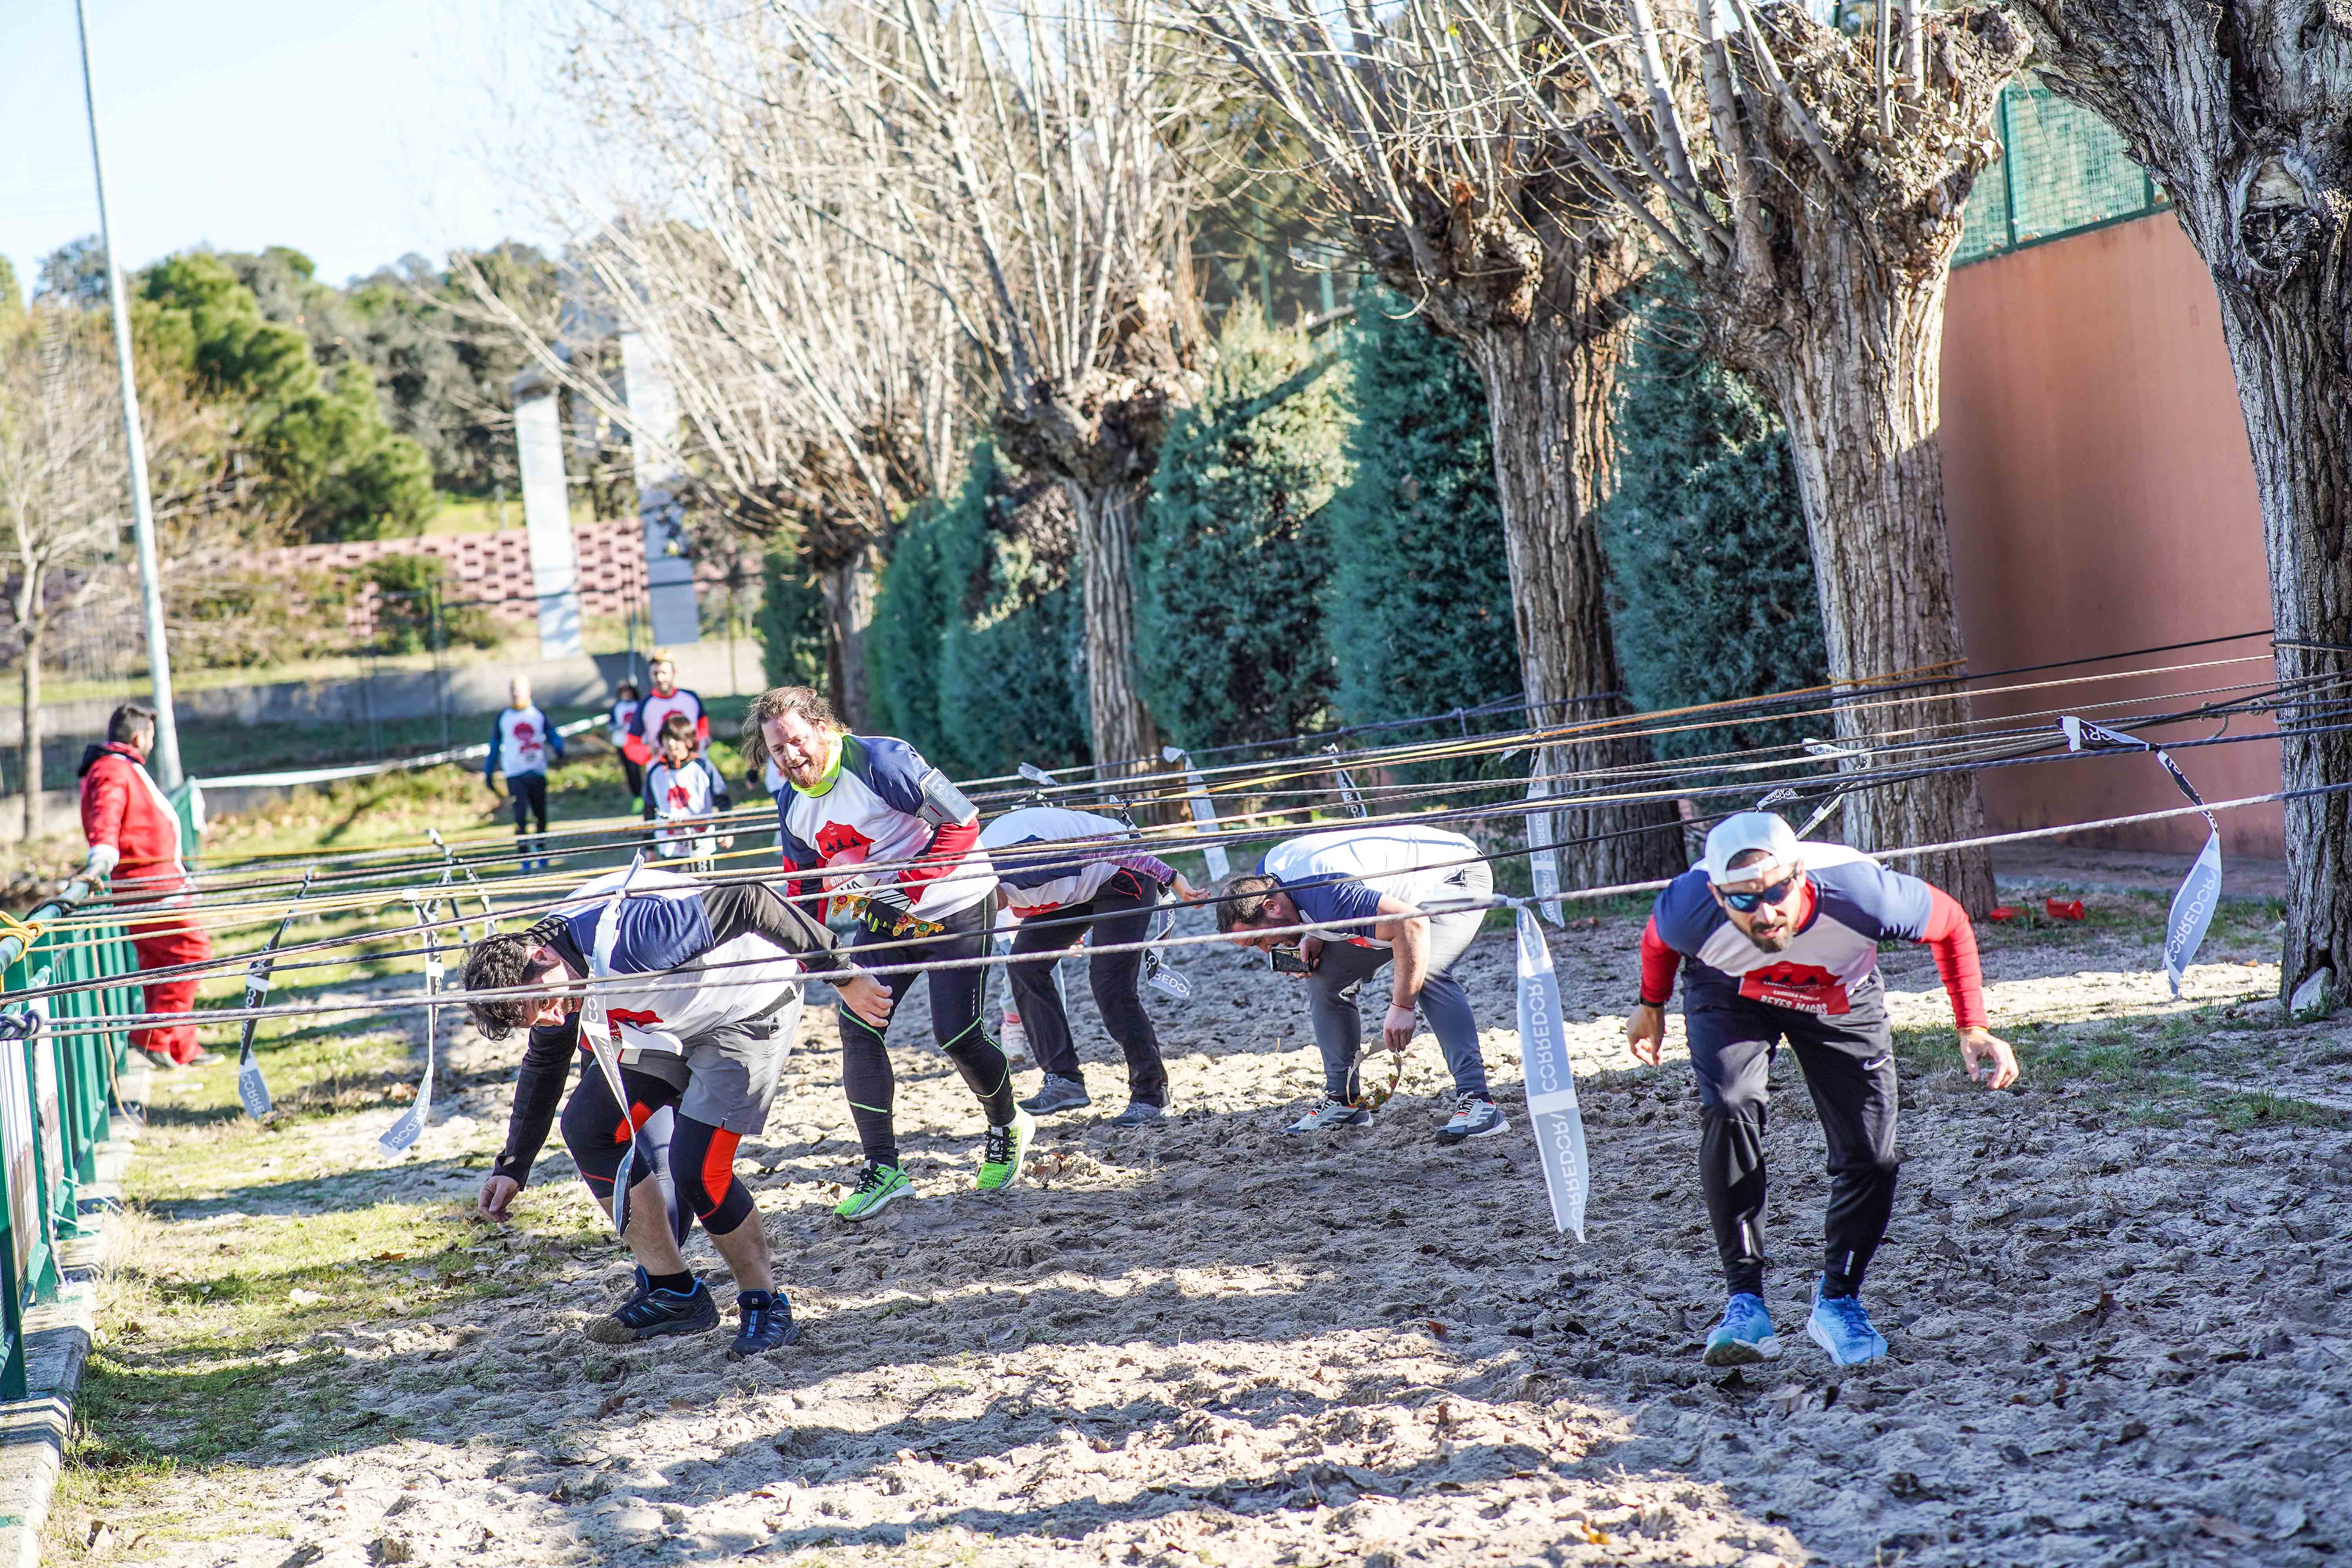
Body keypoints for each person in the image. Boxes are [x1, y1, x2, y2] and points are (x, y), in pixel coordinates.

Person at [1626, 811, 2019, 1370]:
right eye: (1742, 900)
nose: (1765, 912)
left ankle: (1838, 1301)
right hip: (1731, 991)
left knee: (1872, 1156)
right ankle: (1745, 1304)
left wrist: (1972, 1027)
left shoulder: (1864, 897)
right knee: (1730, 1104)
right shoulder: (1687, 908)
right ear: (1716, 895)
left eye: (1778, 891)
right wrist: (1650, 1005)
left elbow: (1951, 922)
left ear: (1800, 875)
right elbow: (1658, 939)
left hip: (1838, 993)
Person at [464, 866, 892, 1353]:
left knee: (698, 1167)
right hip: (666, 1022)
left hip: (748, 1004)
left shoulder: (634, 941)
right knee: (588, 1127)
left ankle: (765, 1302)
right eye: (535, 1018)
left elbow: (748, 897)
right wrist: (514, 1165)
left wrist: (844, 972)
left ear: (538, 956)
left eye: (547, 1003)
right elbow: (545, 1061)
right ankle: (674, 1292)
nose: (554, 1018)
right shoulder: (547, 976)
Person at [743, 685, 1028, 1221]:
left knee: (957, 1034)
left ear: (824, 728)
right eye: (778, 750)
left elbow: (963, 822)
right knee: (857, 1024)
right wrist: (810, 956)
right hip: (887, 916)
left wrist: (910, 879)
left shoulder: (882, 760)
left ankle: (1007, 1127)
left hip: (957, 903)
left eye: (798, 741)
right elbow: (806, 888)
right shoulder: (788, 801)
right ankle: (884, 1169)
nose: (791, 757)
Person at [1214, 823, 1504, 1143]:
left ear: (1271, 907)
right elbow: (1316, 903)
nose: (1267, 949)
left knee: (1430, 973)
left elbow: (1411, 924)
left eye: (1259, 939)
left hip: (1455, 874)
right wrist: (1313, 932)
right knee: (1325, 979)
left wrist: (1402, 1006)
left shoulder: (1330, 895)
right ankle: (1343, 1101)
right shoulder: (1267, 880)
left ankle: (1479, 1102)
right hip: (1390, 901)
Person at [983, 804, 1206, 1127]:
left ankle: (1151, 1094)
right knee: (1025, 966)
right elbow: (1032, 900)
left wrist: (1173, 878)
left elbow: (1115, 848)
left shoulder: (1023, 864)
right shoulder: (978, 876)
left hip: (1122, 876)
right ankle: (1064, 1081)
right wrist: (1063, 930)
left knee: (1111, 985)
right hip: (1079, 888)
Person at [78, 704, 217, 1070]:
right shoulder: (112, 770)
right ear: (140, 737)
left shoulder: (122, 766)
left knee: (162, 964)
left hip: (155, 884)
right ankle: (153, 1037)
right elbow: (106, 817)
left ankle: (179, 1047)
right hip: (149, 888)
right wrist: (102, 856)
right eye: (151, 736)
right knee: (192, 952)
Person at [486, 676, 564, 871]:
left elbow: (553, 734)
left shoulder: (538, 715)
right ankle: (524, 858)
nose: (516, 693)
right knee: (520, 816)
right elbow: (494, 746)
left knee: (540, 815)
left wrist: (559, 748)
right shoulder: (503, 718)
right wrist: (489, 771)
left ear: (528, 691)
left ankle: (542, 853)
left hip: (536, 771)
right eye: (513, 689)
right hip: (515, 774)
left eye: (520, 689)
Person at [622, 655, 708, 821]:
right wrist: (647, 752)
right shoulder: (645, 705)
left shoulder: (691, 698)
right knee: (664, 821)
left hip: (692, 768)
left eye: (664, 672)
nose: (660, 678)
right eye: (655, 674)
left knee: (700, 816)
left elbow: (702, 725)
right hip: (663, 772)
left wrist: (703, 739)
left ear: (674, 673)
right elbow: (631, 745)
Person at [644, 714, 735, 866]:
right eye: (667, 738)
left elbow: (722, 799)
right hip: (670, 844)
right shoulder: (655, 772)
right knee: (674, 889)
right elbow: (649, 811)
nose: (671, 744)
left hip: (701, 842)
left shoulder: (703, 767)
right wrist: (649, 848)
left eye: (677, 738)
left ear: (688, 741)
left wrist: (727, 830)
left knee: (705, 888)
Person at [608, 680, 645, 804]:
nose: (627, 694)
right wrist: (619, 727)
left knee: (637, 770)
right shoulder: (617, 708)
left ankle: (644, 794)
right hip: (621, 743)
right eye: (624, 692)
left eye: (629, 692)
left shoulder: (638, 706)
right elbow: (611, 726)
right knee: (629, 771)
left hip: (636, 743)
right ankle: (637, 797)